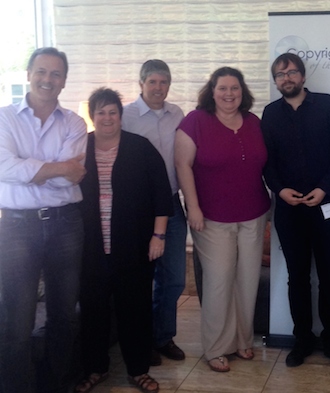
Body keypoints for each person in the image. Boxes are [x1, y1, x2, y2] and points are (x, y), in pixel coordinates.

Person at [0, 47, 87, 393]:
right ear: (28, 74)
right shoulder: (4, 118)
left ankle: (56, 385)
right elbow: (3, 167)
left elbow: (73, 175)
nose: (47, 79)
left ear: (64, 81)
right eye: (41, 71)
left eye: (55, 74)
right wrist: (57, 168)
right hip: (16, 228)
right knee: (16, 320)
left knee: (64, 316)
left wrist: (27, 168)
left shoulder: (76, 123)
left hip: (66, 224)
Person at [75, 88, 172, 393]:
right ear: (92, 116)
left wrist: (158, 236)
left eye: (112, 112)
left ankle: (138, 369)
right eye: (101, 112)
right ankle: (95, 368)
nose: (107, 118)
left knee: (136, 309)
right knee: (93, 310)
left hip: (133, 247)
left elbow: (161, 196)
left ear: (120, 115)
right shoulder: (78, 148)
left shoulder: (139, 147)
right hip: (89, 249)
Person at [175, 67, 270, 373]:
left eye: (235, 89)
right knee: (218, 283)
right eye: (222, 89)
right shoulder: (194, 122)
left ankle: (243, 341)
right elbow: (182, 165)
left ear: (242, 92)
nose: (229, 94)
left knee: (247, 281)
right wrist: (193, 207)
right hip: (212, 218)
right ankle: (217, 347)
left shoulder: (254, 122)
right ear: (211, 91)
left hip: (254, 214)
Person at [261, 53, 330, 369]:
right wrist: (279, 189)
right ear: (275, 81)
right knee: (297, 277)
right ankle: (302, 339)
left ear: (303, 75)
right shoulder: (270, 114)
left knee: (329, 276)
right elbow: (266, 161)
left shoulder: (327, 105)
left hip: (326, 205)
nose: (287, 78)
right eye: (280, 74)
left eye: (292, 72)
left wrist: (325, 188)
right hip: (289, 209)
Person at [122, 59, 187, 365]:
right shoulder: (125, 116)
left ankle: (163, 337)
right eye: (153, 82)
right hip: (139, 209)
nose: (158, 88)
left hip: (172, 204)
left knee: (173, 278)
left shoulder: (178, 114)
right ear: (141, 84)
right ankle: (142, 339)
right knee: (141, 280)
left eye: (164, 82)